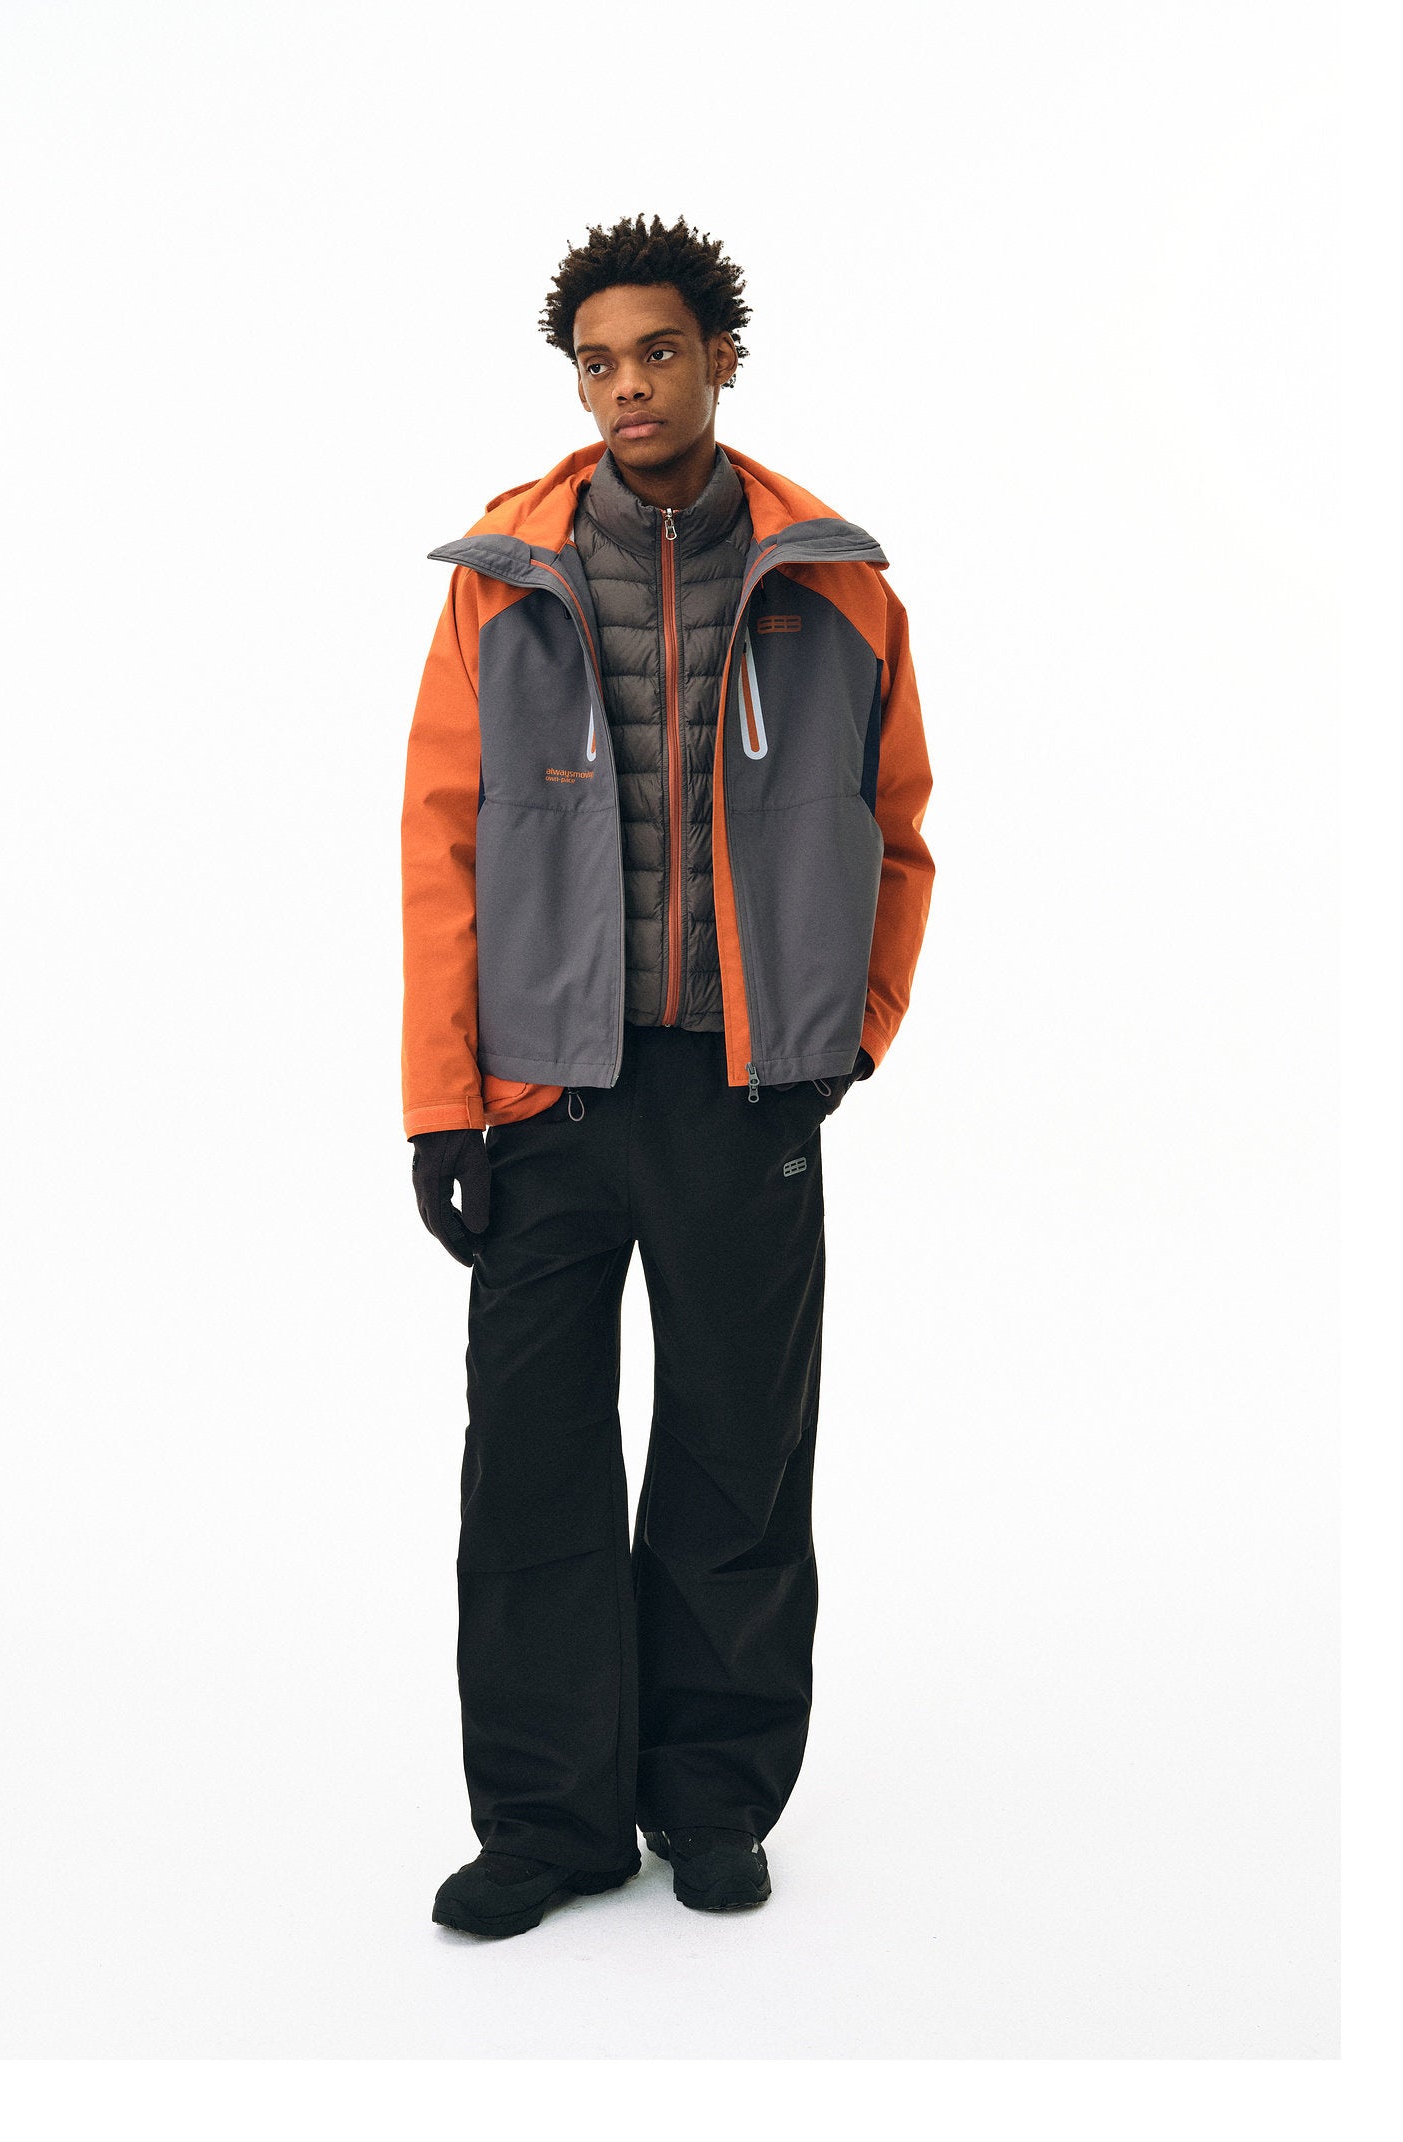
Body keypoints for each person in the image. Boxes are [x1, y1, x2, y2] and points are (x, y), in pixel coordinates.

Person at [401, 213, 935, 1939]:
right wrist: (441, 1102)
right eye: (597, 363)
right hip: (543, 1099)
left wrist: (850, 1032)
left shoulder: (835, 582)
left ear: (720, 358)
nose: (627, 385)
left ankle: (710, 1797)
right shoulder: (503, 578)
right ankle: (549, 1821)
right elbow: (442, 847)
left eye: (657, 352)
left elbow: (899, 827)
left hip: (743, 1096)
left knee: (735, 1456)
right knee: (530, 1467)